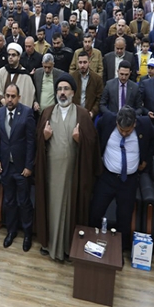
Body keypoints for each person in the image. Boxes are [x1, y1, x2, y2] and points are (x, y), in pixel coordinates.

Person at [34, 74, 101, 261]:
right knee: (51, 208)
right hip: (51, 173)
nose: (62, 93)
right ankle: (49, 244)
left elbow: (93, 144)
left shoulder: (82, 114)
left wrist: (81, 140)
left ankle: (67, 247)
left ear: (73, 92)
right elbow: (37, 140)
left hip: (73, 174)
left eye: (66, 89)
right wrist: (44, 138)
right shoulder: (47, 112)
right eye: (59, 89)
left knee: (69, 210)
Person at [90, 106, 154, 252]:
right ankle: (91, 244)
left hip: (129, 181)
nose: (124, 133)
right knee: (96, 212)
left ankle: (118, 250)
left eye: (128, 131)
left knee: (124, 218)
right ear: (116, 122)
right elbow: (96, 138)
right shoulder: (106, 120)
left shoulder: (145, 124)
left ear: (135, 124)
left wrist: (146, 160)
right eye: (121, 130)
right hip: (107, 178)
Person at [0, 84, 36, 252]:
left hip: (21, 168)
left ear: (18, 97)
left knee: (24, 202)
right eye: (7, 96)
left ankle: (27, 234)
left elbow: (31, 142)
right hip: (6, 167)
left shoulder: (27, 112)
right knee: (9, 201)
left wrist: (29, 165)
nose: (9, 99)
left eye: (13, 96)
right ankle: (11, 231)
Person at [0, 42, 35, 108]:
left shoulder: (25, 75)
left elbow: (28, 97)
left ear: (19, 57)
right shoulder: (2, 71)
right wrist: (3, 100)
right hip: (3, 109)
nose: (10, 57)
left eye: (13, 55)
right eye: (9, 55)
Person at [70, 52, 104, 119]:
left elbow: (99, 98)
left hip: (89, 115)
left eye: (85, 62)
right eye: (80, 62)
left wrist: (93, 112)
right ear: (77, 63)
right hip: (74, 114)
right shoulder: (72, 77)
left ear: (89, 62)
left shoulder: (97, 79)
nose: (82, 65)